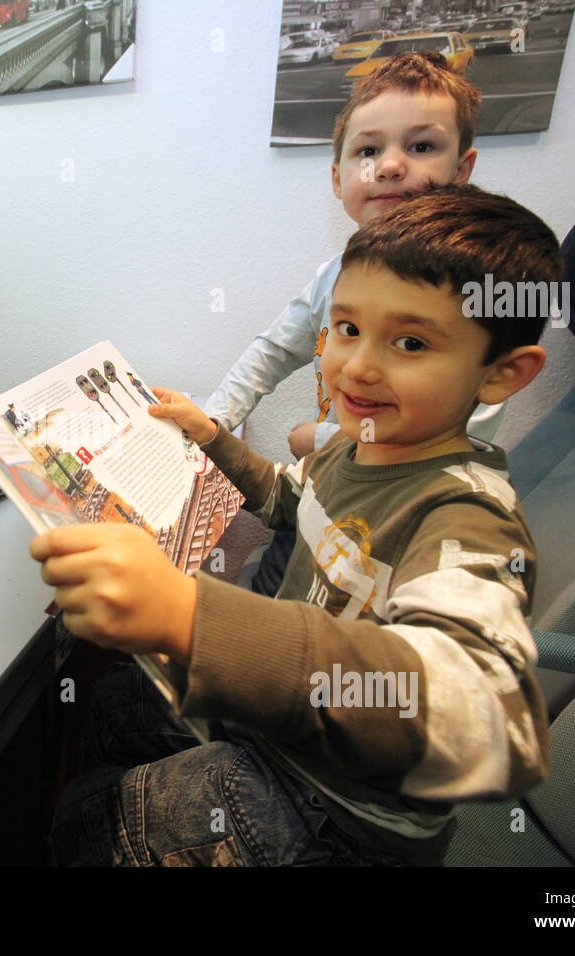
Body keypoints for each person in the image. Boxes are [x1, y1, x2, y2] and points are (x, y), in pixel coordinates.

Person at [33, 184, 557, 866]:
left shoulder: (467, 517)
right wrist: (214, 438)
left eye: (409, 341)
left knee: (97, 827)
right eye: (345, 329)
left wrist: (195, 618)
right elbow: (288, 499)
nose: (358, 365)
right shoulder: (351, 444)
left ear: (501, 373)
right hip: (278, 731)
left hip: (335, 808)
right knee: (118, 704)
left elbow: (489, 718)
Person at [205, 51, 482, 596]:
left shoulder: (475, 288)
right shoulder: (332, 275)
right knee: (271, 592)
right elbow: (272, 351)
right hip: (322, 487)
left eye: (421, 146)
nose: (390, 165)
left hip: (393, 512)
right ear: (338, 178)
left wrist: (324, 438)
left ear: (463, 170)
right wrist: (213, 419)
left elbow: (466, 428)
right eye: (368, 150)